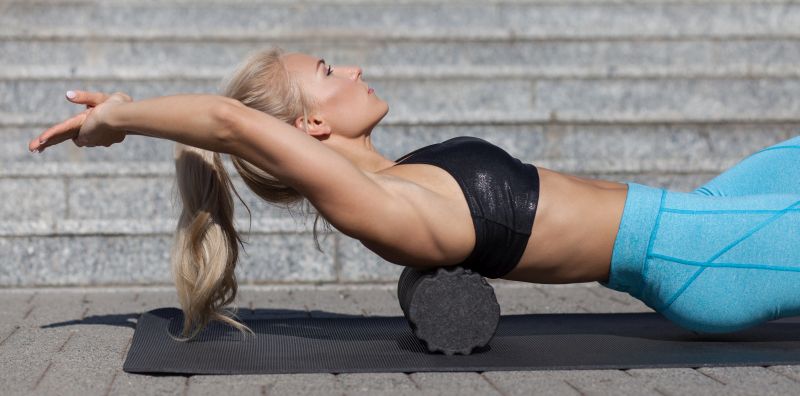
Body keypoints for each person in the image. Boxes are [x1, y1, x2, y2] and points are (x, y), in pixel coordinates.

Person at [28, 47, 800, 341]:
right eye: (331, 72)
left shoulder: (395, 179)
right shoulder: (378, 209)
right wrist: (119, 119)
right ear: (312, 126)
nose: (355, 68)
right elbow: (227, 121)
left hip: (699, 216)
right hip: (704, 257)